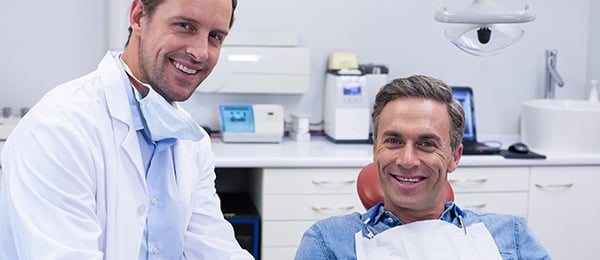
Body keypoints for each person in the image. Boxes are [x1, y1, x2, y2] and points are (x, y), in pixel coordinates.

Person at [0, 0, 254, 259]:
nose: (200, 52)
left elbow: (213, 247)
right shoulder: (59, 130)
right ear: (139, 16)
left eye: (215, 36)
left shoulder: (191, 141)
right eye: (185, 25)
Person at [294, 75, 550, 259]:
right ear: (375, 150)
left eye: (426, 144)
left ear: (454, 157)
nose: (406, 160)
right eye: (393, 141)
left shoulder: (510, 237)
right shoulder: (329, 243)